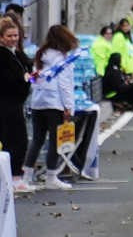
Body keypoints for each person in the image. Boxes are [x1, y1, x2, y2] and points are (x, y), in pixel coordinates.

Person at [23, 25, 81, 191]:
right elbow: (65, 84)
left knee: (37, 140)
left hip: (38, 102)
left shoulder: (41, 54)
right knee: (56, 141)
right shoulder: (62, 59)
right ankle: (51, 176)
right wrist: (68, 106)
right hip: (55, 103)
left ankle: (26, 176)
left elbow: (34, 80)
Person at [1, 17, 32, 192]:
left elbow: (27, 66)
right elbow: (9, 81)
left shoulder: (16, 53)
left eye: (16, 35)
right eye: (9, 36)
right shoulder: (3, 56)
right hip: (6, 104)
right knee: (13, 140)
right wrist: (25, 80)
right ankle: (12, 177)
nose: (13, 39)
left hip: (16, 103)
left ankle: (16, 175)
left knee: (19, 139)